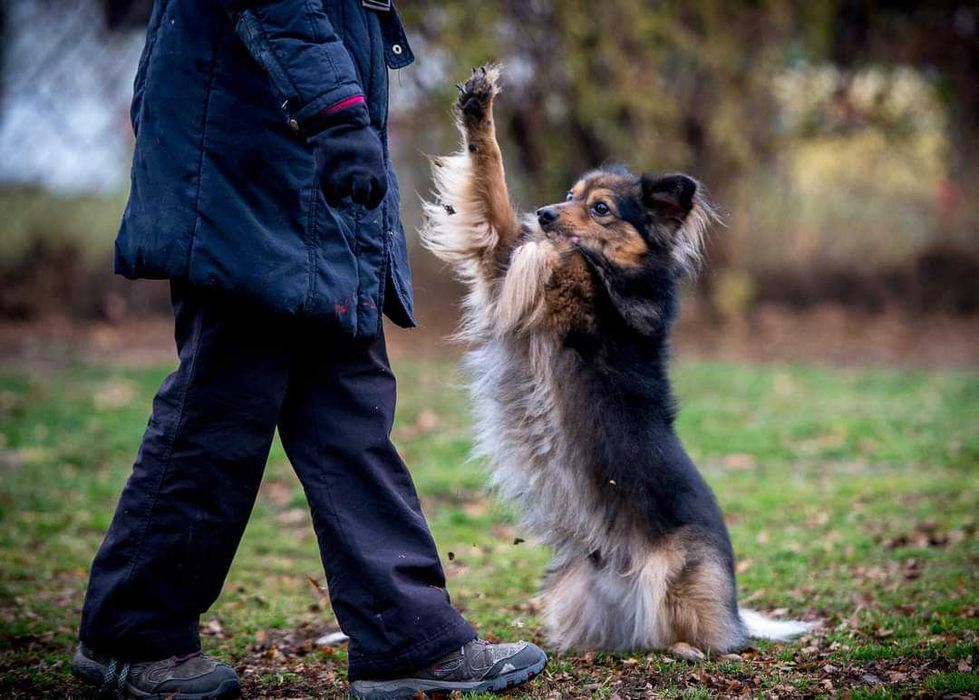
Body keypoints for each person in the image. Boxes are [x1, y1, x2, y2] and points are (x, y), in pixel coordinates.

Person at [70, 1, 547, 698]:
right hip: (247, 165)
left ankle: (406, 639)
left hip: (304, 175)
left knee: (347, 410)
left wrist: (339, 120)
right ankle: (130, 635)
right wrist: (337, 113)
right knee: (223, 401)